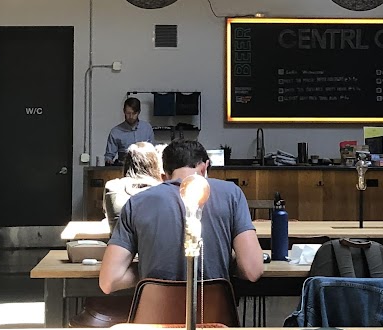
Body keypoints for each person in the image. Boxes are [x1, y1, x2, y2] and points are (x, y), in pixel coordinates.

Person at [99, 138, 264, 293]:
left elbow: (109, 281)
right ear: (204, 168)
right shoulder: (231, 194)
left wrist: (147, 270)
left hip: (154, 319)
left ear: (164, 176)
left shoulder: (137, 203)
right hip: (216, 318)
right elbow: (253, 270)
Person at [102, 140, 163, 225]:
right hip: (152, 237)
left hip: (120, 237)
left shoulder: (112, 186)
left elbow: (107, 214)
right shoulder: (164, 189)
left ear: (127, 162)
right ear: (155, 163)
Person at [103, 96, 154, 166]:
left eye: (134, 113)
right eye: (128, 113)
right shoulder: (115, 132)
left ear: (139, 112)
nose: (131, 116)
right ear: (124, 111)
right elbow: (109, 156)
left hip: (144, 168)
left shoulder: (147, 128)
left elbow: (152, 152)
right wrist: (109, 161)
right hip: (123, 168)